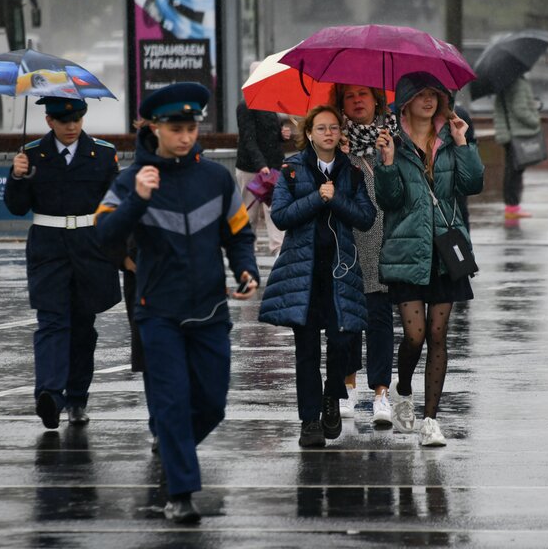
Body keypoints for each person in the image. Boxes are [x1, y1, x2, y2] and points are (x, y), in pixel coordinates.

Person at [94, 82, 260, 524]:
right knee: (170, 401)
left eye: (191, 128)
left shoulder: (216, 178)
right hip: (157, 313)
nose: (185, 136)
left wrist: (247, 270)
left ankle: (174, 447)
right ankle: (181, 493)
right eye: (176, 128)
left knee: (211, 404)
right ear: (153, 128)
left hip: (209, 311)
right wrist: (137, 200)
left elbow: (239, 234)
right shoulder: (131, 180)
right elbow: (104, 234)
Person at [374, 72, 483, 447]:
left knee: (438, 334)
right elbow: (388, 202)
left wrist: (463, 142)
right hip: (407, 249)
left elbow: (472, 184)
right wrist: (387, 164)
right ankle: (403, 389)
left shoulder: (452, 139)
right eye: (420, 94)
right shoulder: (393, 143)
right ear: (405, 101)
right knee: (415, 336)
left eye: (434, 94)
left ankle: (431, 420)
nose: (428, 100)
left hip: (445, 251)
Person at [259, 104, 375, 448]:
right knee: (306, 349)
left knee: (342, 342)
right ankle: (309, 420)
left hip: (340, 271)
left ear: (340, 134)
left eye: (334, 128)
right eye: (321, 128)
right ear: (308, 133)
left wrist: (336, 198)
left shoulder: (351, 172)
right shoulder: (292, 170)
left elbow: (365, 217)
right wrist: (316, 197)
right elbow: (280, 216)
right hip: (304, 272)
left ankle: (330, 397)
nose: (328, 133)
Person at [4, 96, 121, 430]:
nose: (71, 127)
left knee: (83, 328)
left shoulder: (102, 154)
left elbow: (116, 203)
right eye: (63, 120)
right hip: (48, 248)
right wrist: (17, 176)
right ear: (49, 121)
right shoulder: (32, 155)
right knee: (52, 322)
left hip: (90, 248)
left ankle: (77, 398)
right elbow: (15, 207)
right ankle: (50, 396)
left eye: (77, 119)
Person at [335, 84, 398, 425]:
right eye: (349, 96)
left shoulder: (393, 140)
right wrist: (339, 157)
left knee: (379, 319)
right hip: (346, 242)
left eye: (363, 94)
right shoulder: (333, 141)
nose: (357, 100)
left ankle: (381, 393)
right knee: (346, 319)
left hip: (382, 241)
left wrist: (388, 159)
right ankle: (347, 385)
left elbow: (401, 192)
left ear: (376, 99)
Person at [236, 61, 291, 255]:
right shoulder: (246, 106)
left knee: (274, 209)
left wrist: (281, 135)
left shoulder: (270, 104)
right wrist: (260, 165)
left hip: (272, 167)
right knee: (249, 213)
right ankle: (246, 251)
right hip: (251, 168)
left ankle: (278, 249)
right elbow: (248, 139)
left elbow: (269, 136)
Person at [493, 74, 541, 220]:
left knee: (512, 170)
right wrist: (535, 119)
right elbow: (520, 110)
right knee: (515, 171)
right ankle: (512, 207)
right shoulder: (518, 83)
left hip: (508, 132)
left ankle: (512, 206)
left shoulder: (503, 82)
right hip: (516, 133)